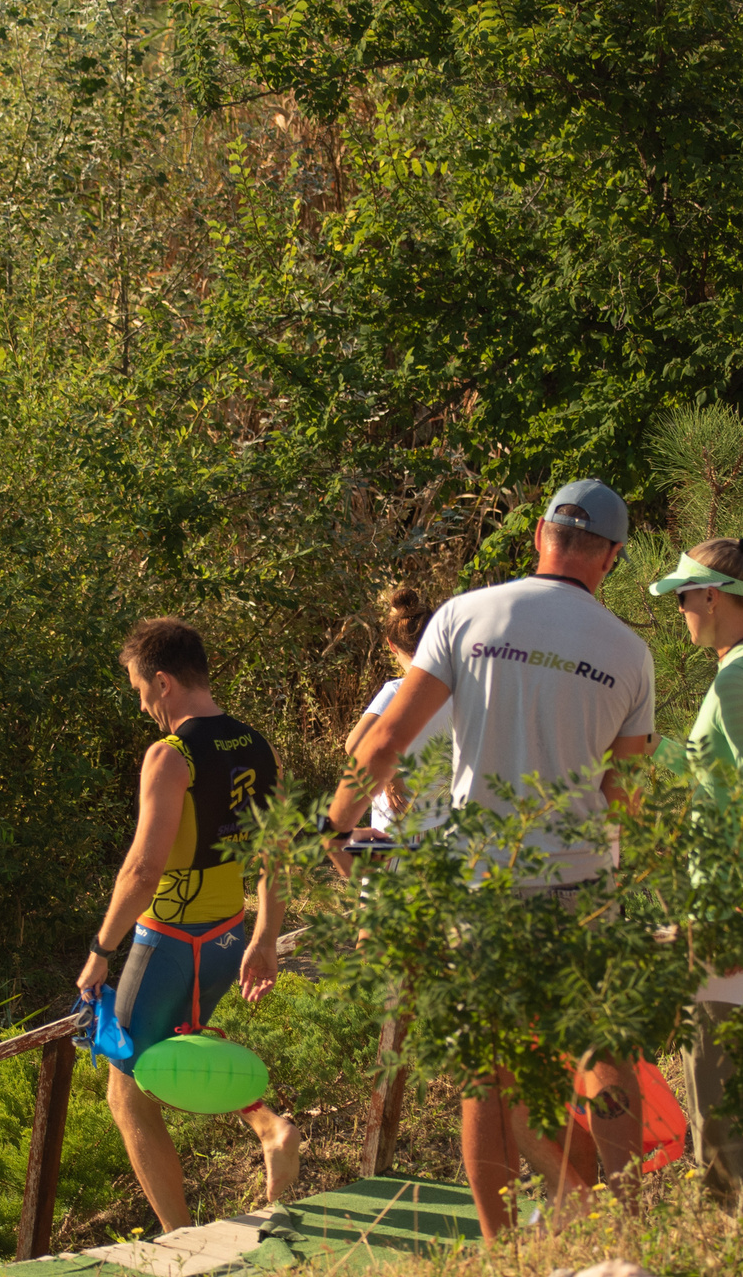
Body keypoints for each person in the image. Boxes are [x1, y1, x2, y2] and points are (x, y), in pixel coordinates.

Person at [328, 479, 656, 1238]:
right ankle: (629, 1221)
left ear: (542, 534)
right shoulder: (630, 652)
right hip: (583, 880)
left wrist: (332, 824)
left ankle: (502, 1247)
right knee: (602, 1050)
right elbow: (627, 794)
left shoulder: (466, 615)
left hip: (486, 885)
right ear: (608, 556)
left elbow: (382, 746)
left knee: (489, 1072)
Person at [74, 619, 299, 1232]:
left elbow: (144, 869)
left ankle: (179, 1235)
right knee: (183, 1042)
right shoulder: (258, 745)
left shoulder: (171, 755)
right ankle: (269, 1126)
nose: (143, 705)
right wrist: (264, 938)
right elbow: (276, 852)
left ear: (165, 681)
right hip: (228, 935)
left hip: (168, 939)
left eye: (140, 690)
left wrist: (101, 951)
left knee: (128, 1086)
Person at [647, 535, 743, 1192]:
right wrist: (657, 749)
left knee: (719, 1083)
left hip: (734, 901)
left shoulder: (736, 676)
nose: (679, 609)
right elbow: (729, 771)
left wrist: (734, 916)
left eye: (683, 596)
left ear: (712, 596)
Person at [346, 584, 452, 835]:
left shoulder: (397, 692)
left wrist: (390, 779)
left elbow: (354, 744)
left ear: (391, 645)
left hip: (400, 827)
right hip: (448, 821)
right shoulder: (455, 688)